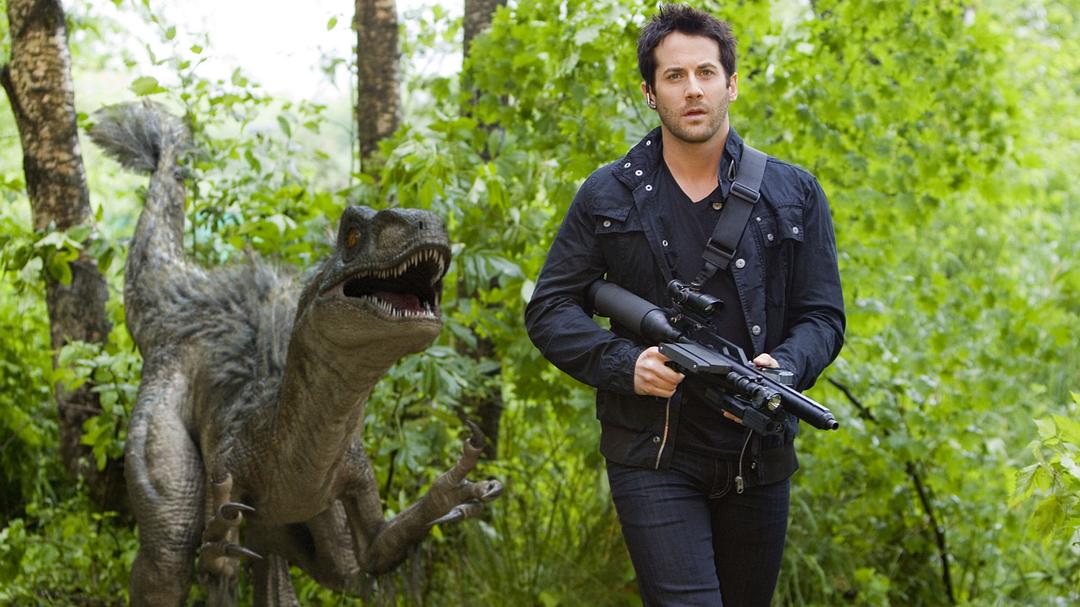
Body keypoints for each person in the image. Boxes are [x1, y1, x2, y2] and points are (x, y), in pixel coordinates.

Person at [524, 4, 845, 605]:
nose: (692, 89)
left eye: (705, 72)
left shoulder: (793, 192)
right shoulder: (607, 193)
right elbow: (550, 309)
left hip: (758, 454)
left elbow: (823, 316)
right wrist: (628, 365)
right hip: (653, 456)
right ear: (650, 92)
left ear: (731, 83)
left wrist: (786, 367)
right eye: (674, 76)